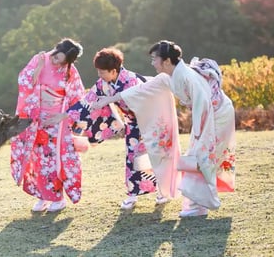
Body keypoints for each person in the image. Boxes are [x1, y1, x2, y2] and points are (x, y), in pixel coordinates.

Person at [93, 40, 236, 217]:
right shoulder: (168, 77)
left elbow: (203, 104)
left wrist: (199, 134)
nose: (152, 63)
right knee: (199, 156)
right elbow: (141, 90)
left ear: (167, 61)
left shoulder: (187, 76)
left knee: (202, 155)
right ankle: (198, 204)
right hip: (207, 118)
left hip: (218, 115)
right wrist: (109, 99)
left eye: (155, 59)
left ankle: (201, 204)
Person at [47, 48, 181, 210]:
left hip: (151, 120)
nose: (99, 75)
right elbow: (86, 102)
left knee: (154, 156)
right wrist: (63, 116)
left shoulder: (131, 81)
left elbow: (143, 101)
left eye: (102, 72)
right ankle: (132, 194)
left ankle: (163, 191)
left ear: (114, 70)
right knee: (133, 157)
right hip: (133, 123)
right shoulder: (104, 83)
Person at [10, 38, 86, 212]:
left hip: (56, 123)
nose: (56, 62)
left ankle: (57, 198)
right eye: (56, 57)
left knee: (52, 160)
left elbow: (78, 97)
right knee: (37, 158)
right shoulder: (40, 59)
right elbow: (23, 81)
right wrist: (36, 71)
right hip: (36, 120)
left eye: (61, 61)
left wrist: (63, 116)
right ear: (56, 49)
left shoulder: (69, 71)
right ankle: (42, 196)